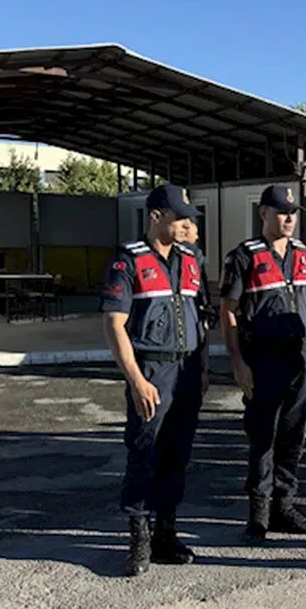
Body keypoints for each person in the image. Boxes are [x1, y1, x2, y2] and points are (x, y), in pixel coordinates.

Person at [101, 185, 208, 577]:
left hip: (188, 370)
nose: (186, 224)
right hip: (152, 371)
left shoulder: (192, 260)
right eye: (179, 217)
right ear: (155, 216)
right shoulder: (128, 261)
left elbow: (201, 316)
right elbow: (114, 324)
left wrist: (204, 368)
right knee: (145, 453)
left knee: (177, 454)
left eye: (188, 218)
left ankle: (167, 533)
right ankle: (139, 540)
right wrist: (135, 380)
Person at [219, 184, 306, 543]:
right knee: (263, 436)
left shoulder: (305, 255)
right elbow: (229, 312)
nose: (288, 219)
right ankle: (259, 513)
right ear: (263, 213)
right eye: (281, 212)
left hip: (302, 357)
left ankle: (284, 504)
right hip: (263, 360)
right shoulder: (244, 257)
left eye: (293, 214)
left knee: (293, 435)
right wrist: (237, 362)